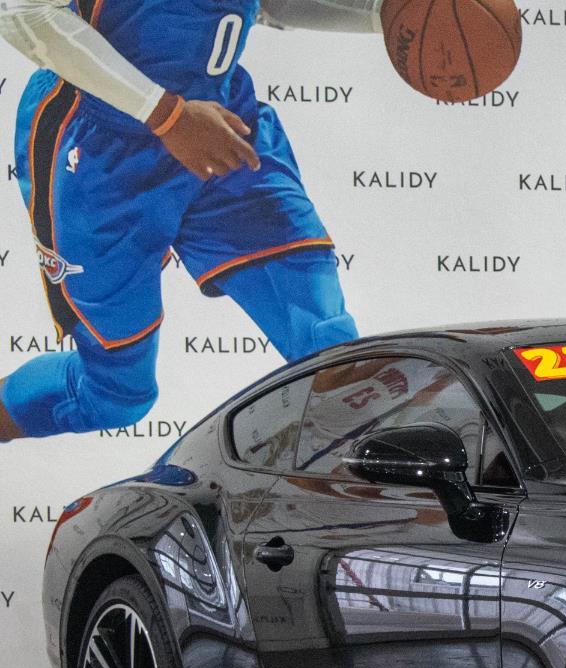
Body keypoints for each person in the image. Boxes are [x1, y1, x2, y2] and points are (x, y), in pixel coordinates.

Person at [0, 0, 386, 443]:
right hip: (98, 147)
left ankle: (365, 475)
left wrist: (387, 12)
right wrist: (166, 115)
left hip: (221, 124)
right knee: (115, 395)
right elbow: (22, 13)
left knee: (328, 349)